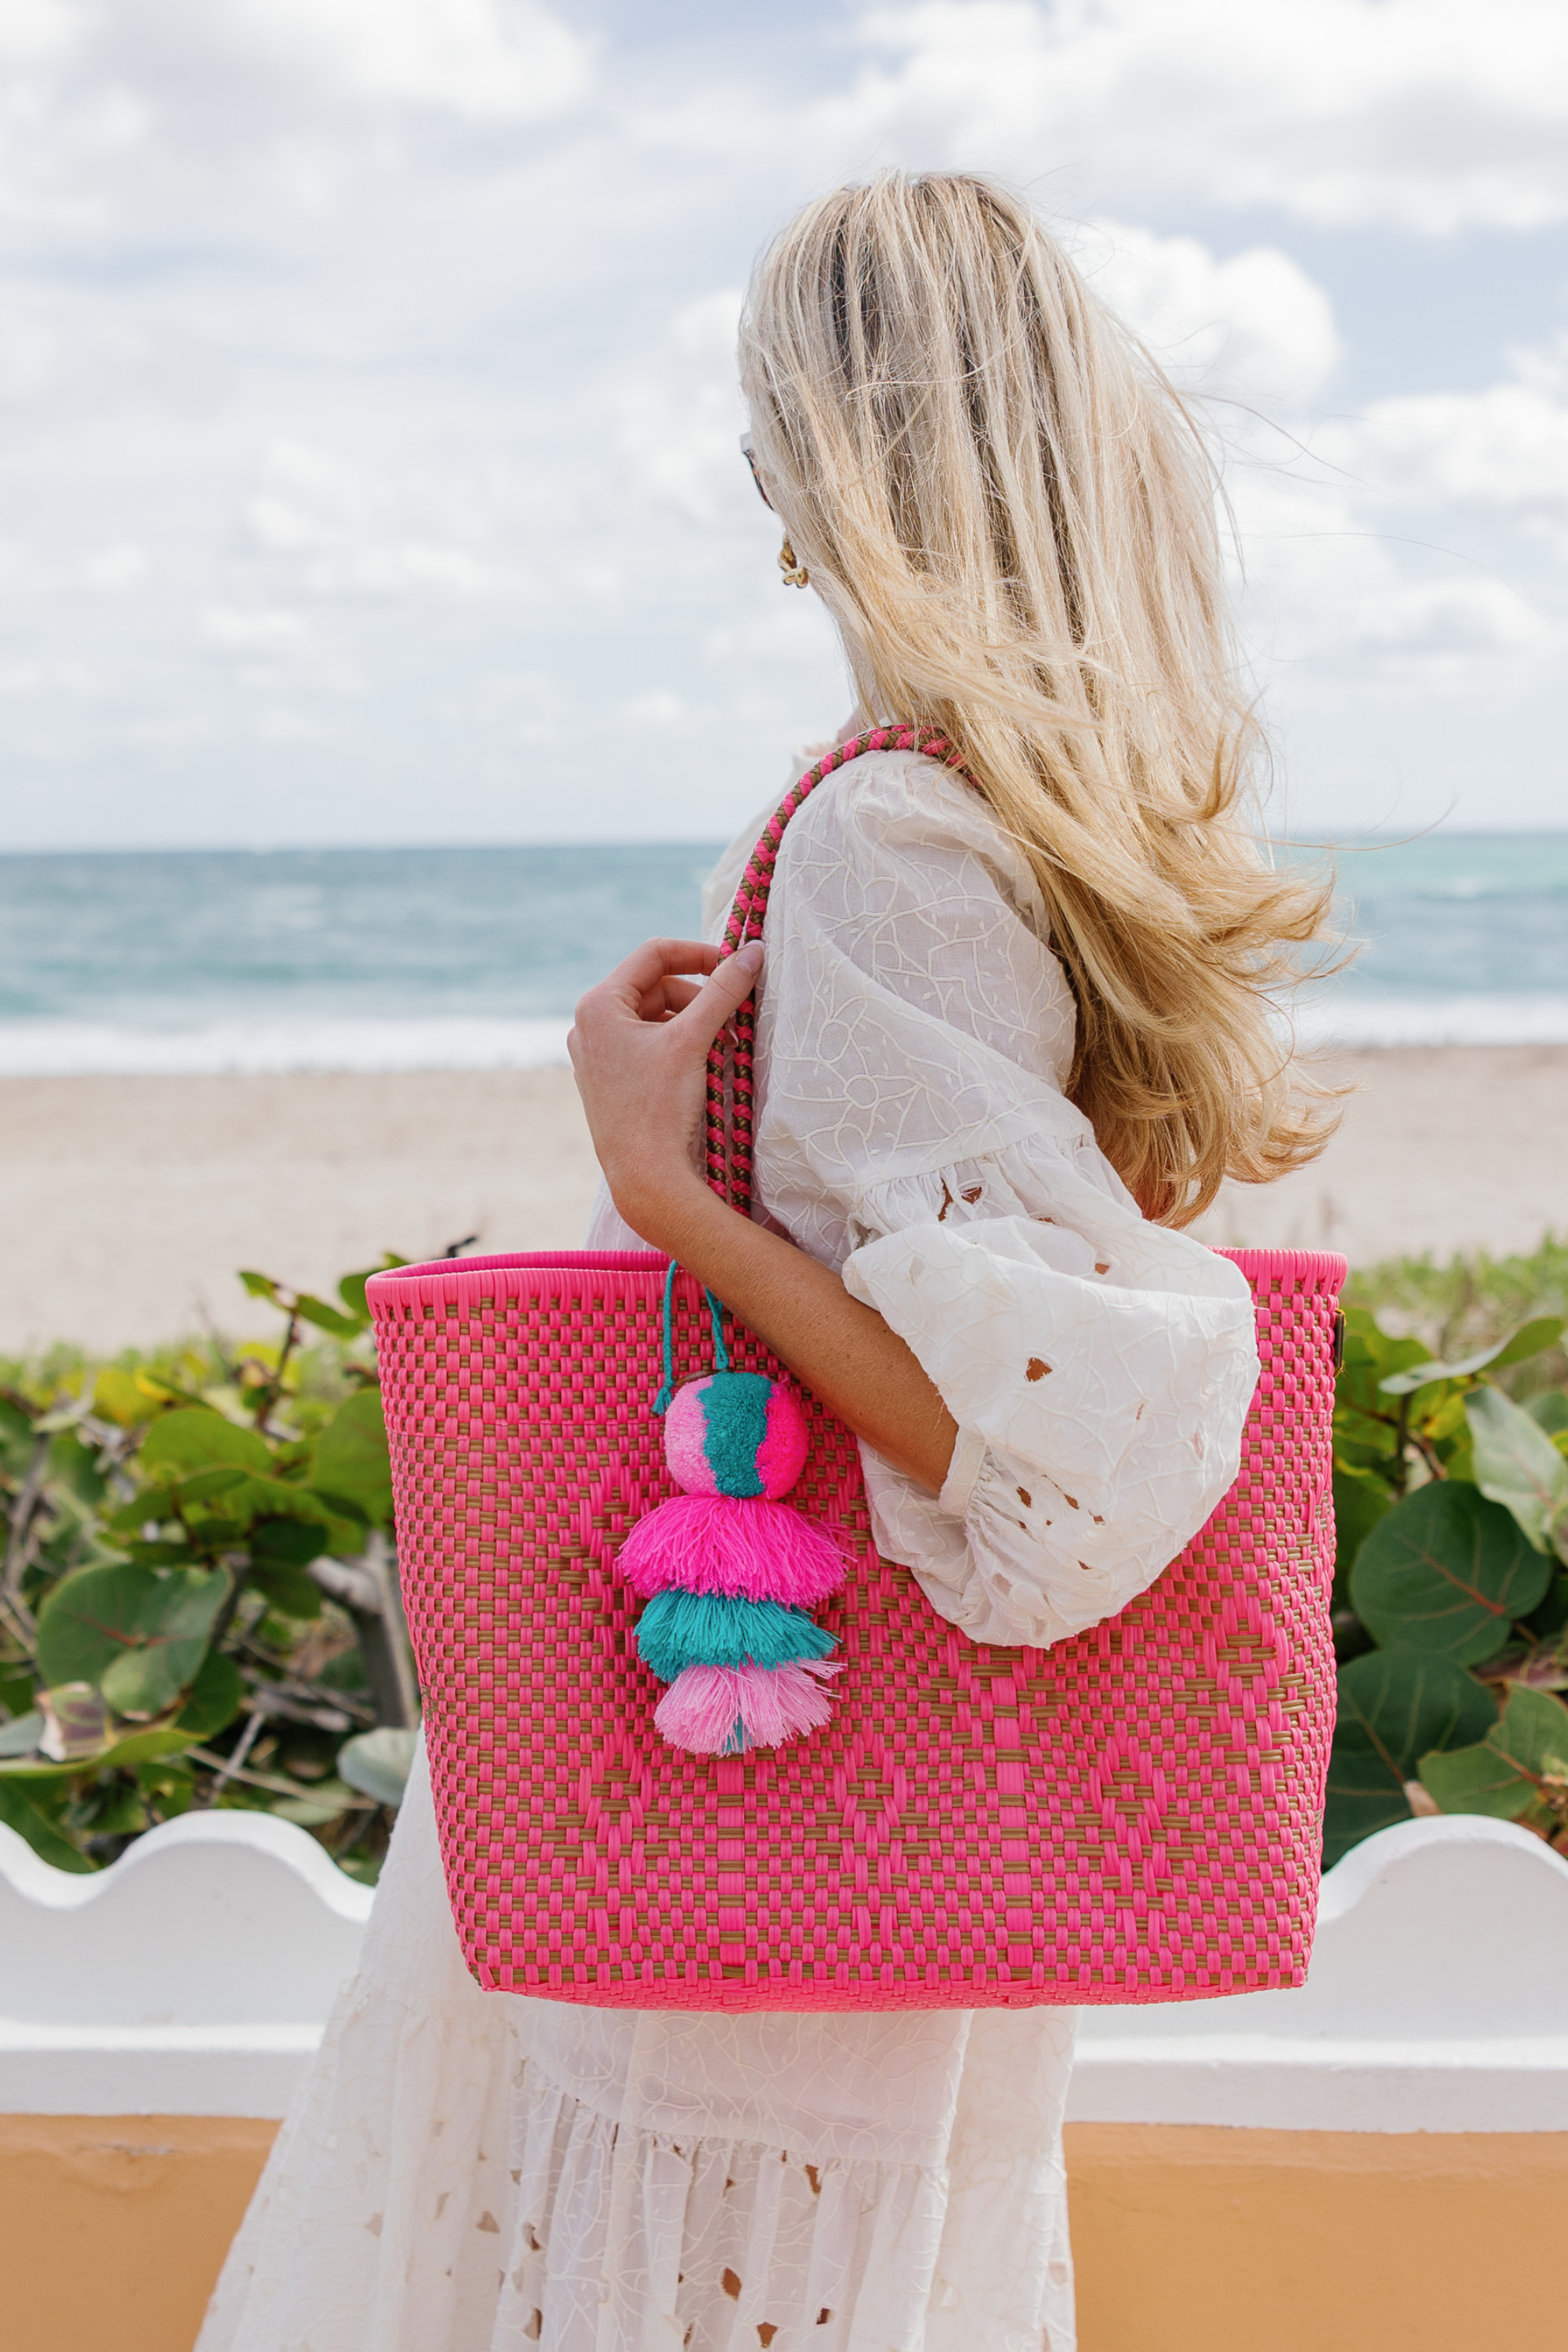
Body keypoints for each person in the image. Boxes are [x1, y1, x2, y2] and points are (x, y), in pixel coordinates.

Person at [200, 171, 1334, 2352]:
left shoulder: (884, 832)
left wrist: (669, 1196)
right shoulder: (1007, 809)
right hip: (860, 1872)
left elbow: (1025, 1445)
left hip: (756, 1839)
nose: (751, 484)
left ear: (844, 446)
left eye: (767, 422)